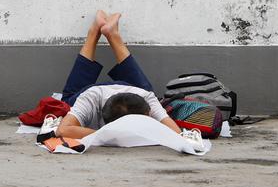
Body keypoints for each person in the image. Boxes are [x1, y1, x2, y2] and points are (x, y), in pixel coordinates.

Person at [53, 10, 182, 140]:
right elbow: (62, 130)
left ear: (147, 112)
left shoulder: (147, 98)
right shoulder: (89, 100)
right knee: (68, 102)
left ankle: (100, 34)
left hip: (133, 89)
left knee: (147, 90)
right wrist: (113, 135)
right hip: (93, 92)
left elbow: (176, 133)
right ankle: (104, 34)